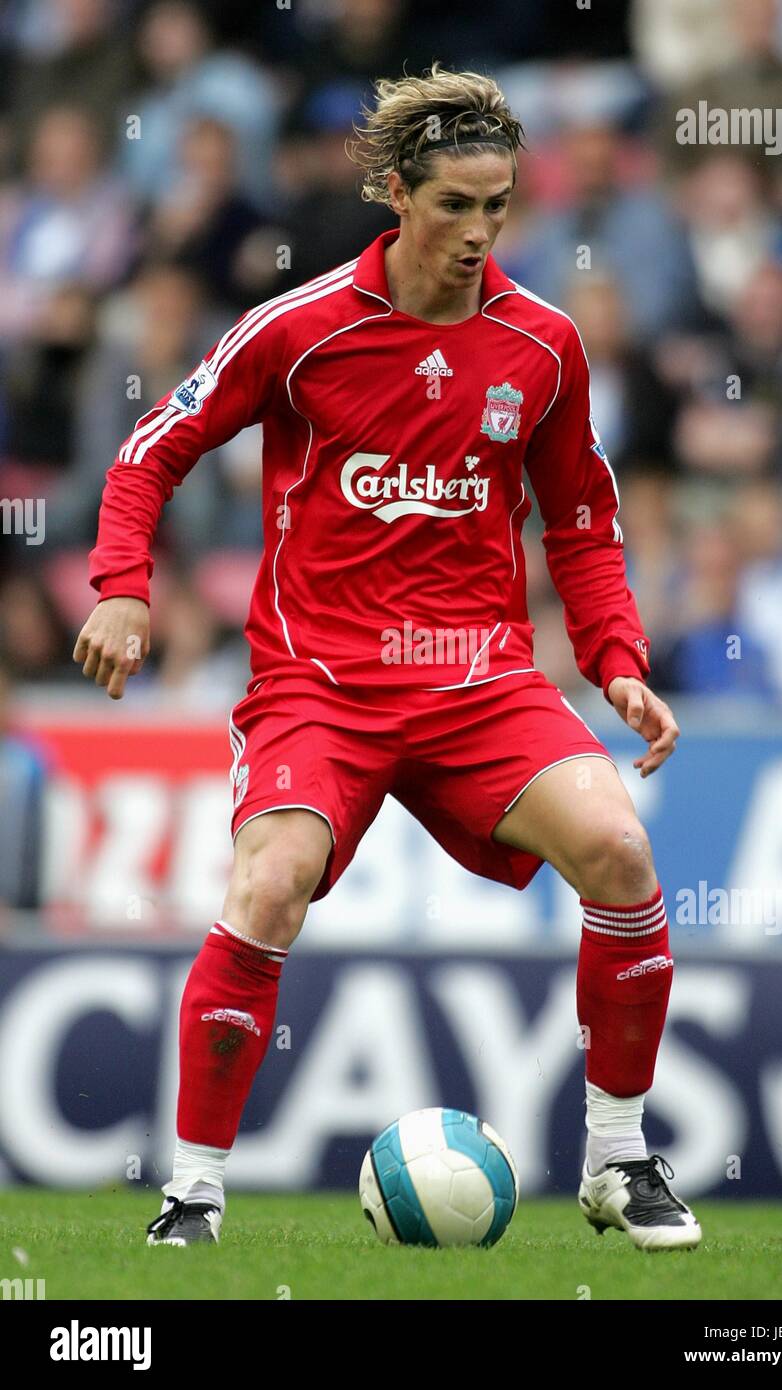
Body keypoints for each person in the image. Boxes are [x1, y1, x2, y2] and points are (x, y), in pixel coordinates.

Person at [74, 64, 699, 1251]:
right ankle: (193, 1194)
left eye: (498, 206)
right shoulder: (299, 329)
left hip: (481, 682)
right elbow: (151, 450)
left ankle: (616, 1161)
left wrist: (615, 656)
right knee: (265, 888)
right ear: (398, 197)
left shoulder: (544, 348)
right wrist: (121, 591)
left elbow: (581, 518)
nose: (478, 233)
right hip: (321, 683)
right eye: (456, 205)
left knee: (618, 848)